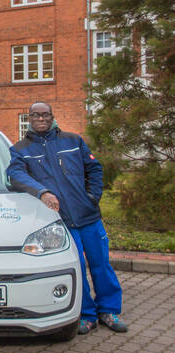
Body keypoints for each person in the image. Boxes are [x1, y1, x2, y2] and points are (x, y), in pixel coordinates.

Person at [7, 101, 127, 335]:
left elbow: (94, 169)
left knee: (101, 265)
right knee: (77, 268)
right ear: (29, 118)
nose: (40, 118)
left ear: (52, 117)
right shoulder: (20, 149)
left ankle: (109, 310)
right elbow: (16, 175)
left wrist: (93, 196)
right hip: (61, 222)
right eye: (35, 115)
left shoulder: (73, 141)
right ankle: (87, 314)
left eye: (45, 114)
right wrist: (43, 192)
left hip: (89, 217)